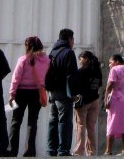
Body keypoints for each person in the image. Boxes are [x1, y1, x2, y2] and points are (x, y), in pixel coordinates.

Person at [8, 36, 50, 157]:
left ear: (27, 46)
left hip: (21, 92)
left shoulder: (23, 59)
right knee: (32, 121)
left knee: (16, 121)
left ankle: (12, 150)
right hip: (36, 93)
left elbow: (16, 78)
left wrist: (12, 94)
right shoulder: (46, 60)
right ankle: (30, 151)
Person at [45, 28, 79, 157]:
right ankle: (63, 150)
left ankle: (50, 150)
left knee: (53, 121)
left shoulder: (53, 52)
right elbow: (72, 75)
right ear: (69, 39)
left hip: (53, 92)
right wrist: (74, 93)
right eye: (73, 39)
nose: (73, 42)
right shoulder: (68, 53)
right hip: (64, 93)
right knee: (64, 121)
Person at [103, 54, 124, 155]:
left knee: (111, 123)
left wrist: (105, 99)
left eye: (110, 62)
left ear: (117, 61)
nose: (109, 65)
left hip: (116, 99)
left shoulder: (115, 69)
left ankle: (108, 150)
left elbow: (110, 85)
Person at [72, 51, 102, 156]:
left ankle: (79, 151)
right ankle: (91, 151)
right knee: (91, 127)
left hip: (83, 102)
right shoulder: (97, 71)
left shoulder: (81, 71)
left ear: (85, 59)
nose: (79, 61)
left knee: (80, 125)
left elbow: (76, 87)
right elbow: (98, 86)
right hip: (95, 101)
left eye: (80, 59)